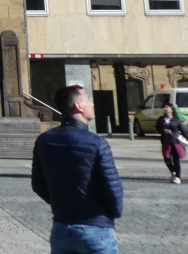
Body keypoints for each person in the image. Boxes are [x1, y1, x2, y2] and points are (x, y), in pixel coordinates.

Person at [31, 85, 123, 254]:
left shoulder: (44, 140)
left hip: (61, 229)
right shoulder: (97, 143)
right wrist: (111, 212)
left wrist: (62, 204)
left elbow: (38, 184)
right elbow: (112, 186)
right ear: (78, 106)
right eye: (88, 99)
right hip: (96, 229)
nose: (92, 104)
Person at [155, 103, 188, 184]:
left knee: (176, 160)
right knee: (166, 159)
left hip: (175, 142)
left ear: (172, 109)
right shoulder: (161, 119)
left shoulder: (176, 120)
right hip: (165, 142)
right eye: (164, 107)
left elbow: (183, 131)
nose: (165, 108)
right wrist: (163, 130)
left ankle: (178, 177)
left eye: (167, 107)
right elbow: (157, 128)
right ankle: (173, 171)